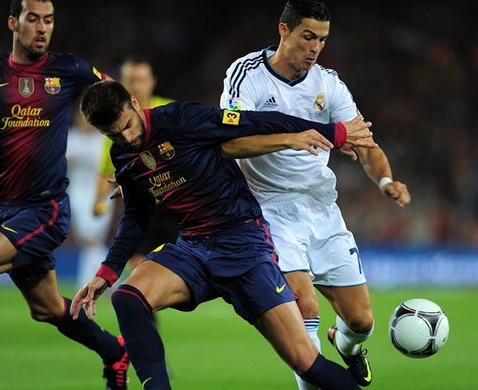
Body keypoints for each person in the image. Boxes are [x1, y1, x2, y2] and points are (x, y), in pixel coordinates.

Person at [70, 80, 376, 390]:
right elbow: (137, 214)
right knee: (128, 298)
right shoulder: (122, 155)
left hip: (242, 244)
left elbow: (255, 122)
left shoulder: (181, 119)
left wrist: (333, 133)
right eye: (113, 134)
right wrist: (106, 273)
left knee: (307, 363)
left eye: (127, 126)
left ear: (135, 104)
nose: (127, 138)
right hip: (192, 248)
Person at [219, 0, 411, 388]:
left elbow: (364, 142)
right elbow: (229, 142)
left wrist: (385, 181)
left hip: (322, 208)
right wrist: (292, 137)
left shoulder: (328, 83)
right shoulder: (247, 75)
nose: (315, 47)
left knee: (361, 321)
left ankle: (348, 346)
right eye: (308, 36)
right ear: (284, 31)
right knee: (304, 304)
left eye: (322, 39)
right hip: (268, 207)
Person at [0, 1, 129, 388]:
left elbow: (118, 100)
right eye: (33, 19)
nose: (42, 28)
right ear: (13, 23)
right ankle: (114, 351)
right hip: (4, 208)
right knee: (47, 308)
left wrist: (132, 156)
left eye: (48, 20)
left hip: (45, 210)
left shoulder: (69, 69)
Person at [93, 57, 178, 274]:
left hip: (177, 202)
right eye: (131, 80)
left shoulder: (169, 110)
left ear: (152, 82)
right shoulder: (117, 126)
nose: (137, 86)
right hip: (145, 205)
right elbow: (106, 170)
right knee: (136, 267)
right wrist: (99, 199)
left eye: (141, 80)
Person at [67, 107, 114, 290]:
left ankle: (90, 284)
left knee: (93, 240)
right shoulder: (71, 138)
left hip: (102, 194)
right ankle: (108, 280)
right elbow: (61, 167)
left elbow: (109, 168)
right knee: (88, 239)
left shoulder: (103, 139)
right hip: (77, 193)